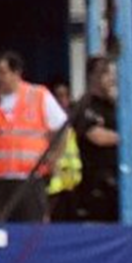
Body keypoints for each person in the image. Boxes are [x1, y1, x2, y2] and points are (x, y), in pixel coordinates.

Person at [0, 51, 68, 223]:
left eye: (3, 72)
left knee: (31, 228)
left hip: (29, 178)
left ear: (17, 73)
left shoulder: (38, 95)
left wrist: (54, 156)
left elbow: (62, 127)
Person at [70, 55, 121, 222]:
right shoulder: (84, 105)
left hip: (117, 178)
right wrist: (125, 136)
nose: (111, 78)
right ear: (93, 76)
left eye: (113, 73)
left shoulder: (115, 105)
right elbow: (96, 136)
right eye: (106, 73)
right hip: (92, 182)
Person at [46, 79, 83, 222]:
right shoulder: (47, 125)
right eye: (58, 96)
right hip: (53, 188)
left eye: (66, 96)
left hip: (72, 187)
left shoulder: (73, 123)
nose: (63, 101)